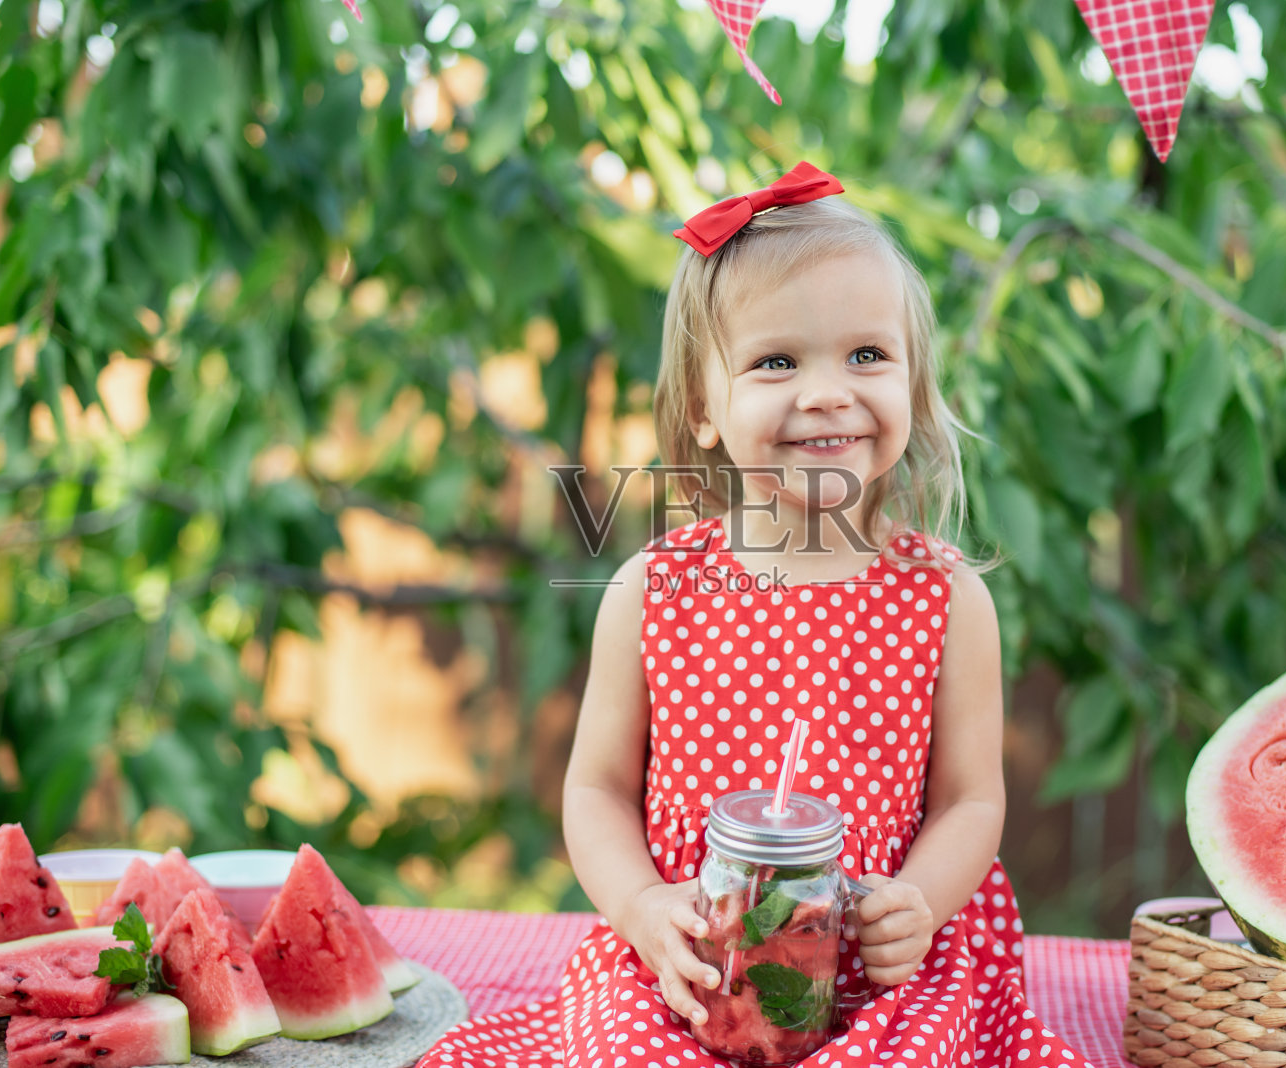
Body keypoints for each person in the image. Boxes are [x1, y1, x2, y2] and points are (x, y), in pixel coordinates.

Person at [418, 163, 1096, 1068]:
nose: (827, 392)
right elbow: (596, 793)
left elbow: (972, 798)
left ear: (914, 382)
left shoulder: (947, 598)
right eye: (778, 362)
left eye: (867, 356)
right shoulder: (651, 592)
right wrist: (641, 910)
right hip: (689, 975)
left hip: (881, 982)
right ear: (704, 406)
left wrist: (922, 902)